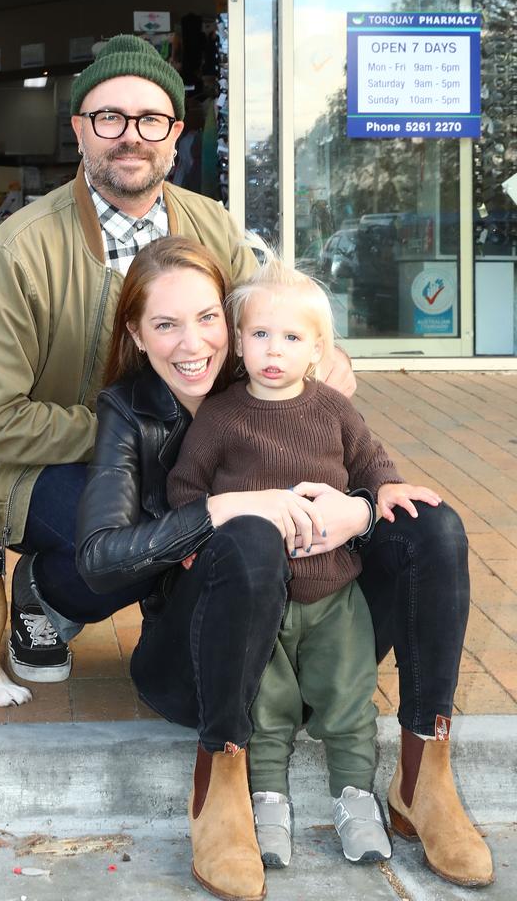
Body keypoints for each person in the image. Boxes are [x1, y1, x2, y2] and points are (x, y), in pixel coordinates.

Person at [74, 237, 493, 897]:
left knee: (431, 526)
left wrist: (360, 510)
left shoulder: (282, 375)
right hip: (202, 665)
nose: (192, 343)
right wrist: (228, 509)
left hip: (320, 641)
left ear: (231, 323)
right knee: (251, 539)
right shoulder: (128, 413)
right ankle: (219, 787)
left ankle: (423, 775)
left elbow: (355, 451)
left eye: (207, 318)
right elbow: (98, 559)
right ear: (136, 331)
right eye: (165, 324)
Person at [0, 33, 355, 685]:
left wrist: (325, 355)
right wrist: (133, 438)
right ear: (80, 129)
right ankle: (49, 592)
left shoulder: (213, 226)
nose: (129, 136)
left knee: (279, 487)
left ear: (175, 133)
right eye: (109, 118)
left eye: (149, 119)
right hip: (51, 470)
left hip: (197, 448)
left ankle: (241, 637)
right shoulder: (20, 250)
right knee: (158, 527)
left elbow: (272, 311)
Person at [165, 254, 439, 869]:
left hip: (335, 590)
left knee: (347, 695)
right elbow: (187, 487)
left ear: (317, 349)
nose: (274, 350)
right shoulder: (223, 413)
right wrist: (194, 544)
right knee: (266, 704)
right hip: (262, 599)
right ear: (237, 341)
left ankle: (355, 797)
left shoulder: (332, 408)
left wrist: (387, 488)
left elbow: (368, 459)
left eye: (291, 338)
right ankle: (266, 801)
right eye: (260, 334)